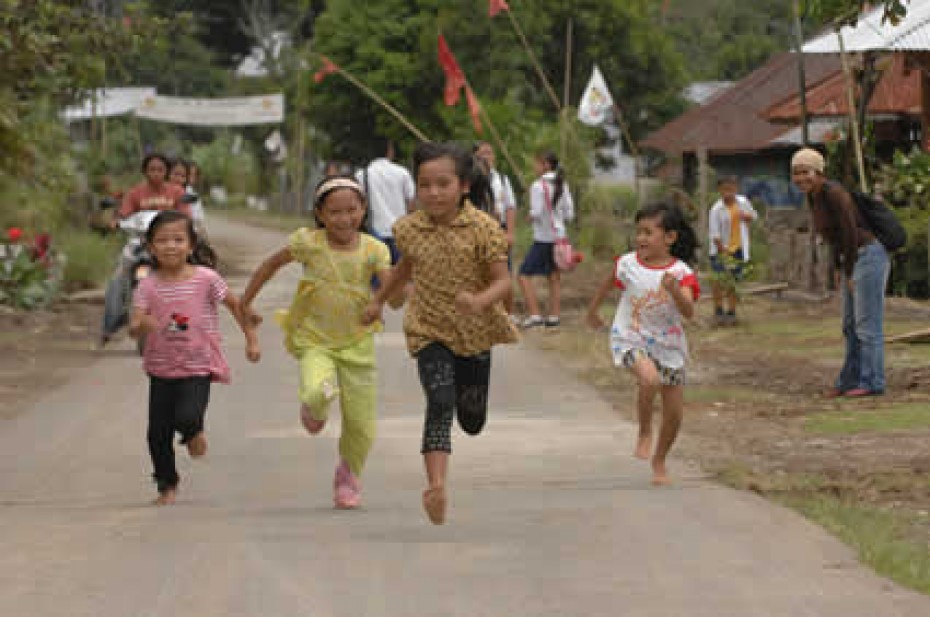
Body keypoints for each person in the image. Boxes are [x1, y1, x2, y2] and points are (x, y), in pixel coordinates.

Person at [362, 141, 517, 525]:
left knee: (471, 419)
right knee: (439, 400)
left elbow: (504, 282)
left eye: (442, 184)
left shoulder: (484, 229)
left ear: (464, 186)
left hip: (476, 332)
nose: (433, 193)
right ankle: (436, 486)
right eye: (425, 184)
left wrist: (480, 302)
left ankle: (467, 420)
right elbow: (404, 269)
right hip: (429, 328)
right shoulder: (410, 229)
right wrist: (379, 299)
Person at [239, 176, 392, 509]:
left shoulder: (374, 249)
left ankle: (348, 476)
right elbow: (270, 266)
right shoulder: (309, 243)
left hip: (358, 345)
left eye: (352, 210)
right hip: (315, 342)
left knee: (362, 424)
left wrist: (378, 301)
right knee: (315, 390)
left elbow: (390, 289)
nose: (344, 218)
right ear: (320, 214)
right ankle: (315, 409)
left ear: (363, 210)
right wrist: (245, 302)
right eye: (335, 212)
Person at [129, 211, 259, 506]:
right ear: (150, 247)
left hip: (198, 364)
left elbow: (237, 306)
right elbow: (133, 326)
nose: (170, 246)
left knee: (187, 416)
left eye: (177, 239)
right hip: (160, 368)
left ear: (190, 245)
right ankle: (167, 484)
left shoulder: (206, 279)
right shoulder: (147, 286)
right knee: (157, 434)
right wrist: (142, 325)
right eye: (162, 240)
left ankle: (192, 432)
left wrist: (251, 339)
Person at [585, 202, 699, 486]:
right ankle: (644, 431)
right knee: (649, 380)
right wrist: (593, 312)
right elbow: (607, 284)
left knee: (674, 413)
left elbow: (689, 312)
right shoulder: (627, 264)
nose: (641, 239)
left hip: (668, 345)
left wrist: (675, 291)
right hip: (630, 336)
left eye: (648, 232)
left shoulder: (681, 272)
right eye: (639, 232)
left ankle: (660, 461)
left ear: (670, 238)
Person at [791, 148, 889, 398]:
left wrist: (848, 272)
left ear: (819, 172)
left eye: (806, 172)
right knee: (849, 325)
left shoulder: (833, 193)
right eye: (796, 173)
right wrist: (839, 268)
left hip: (866, 255)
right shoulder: (813, 197)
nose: (801, 178)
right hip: (851, 258)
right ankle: (849, 379)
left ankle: (872, 382)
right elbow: (833, 238)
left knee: (867, 325)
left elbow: (849, 232)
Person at [517, 150, 574, 329]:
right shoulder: (562, 184)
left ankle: (534, 314)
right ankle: (554, 316)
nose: (534, 167)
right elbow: (570, 214)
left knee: (523, 274)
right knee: (554, 277)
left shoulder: (537, 186)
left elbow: (536, 212)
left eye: (536, 163)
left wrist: (529, 217)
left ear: (546, 165)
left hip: (543, 238)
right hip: (560, 237)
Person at [356, 139, 415, 265]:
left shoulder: (362, 174)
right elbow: (411, 202)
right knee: (400, 279)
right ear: (390, 151)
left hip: (374, 233)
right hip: (400, 233)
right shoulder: (402, 172)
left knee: (376, 277)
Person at [475, 141, 518, 317]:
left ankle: (508, 315)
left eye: (490, 153)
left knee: (503, 274)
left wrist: (510, 233)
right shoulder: (471, 178)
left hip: (497, 230)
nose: (487, 157)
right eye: (482, 153)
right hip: (476, 230)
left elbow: (510, 206)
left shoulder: (501, 179)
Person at [708, 176, 757, 325]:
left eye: (731, 189)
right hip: (721, 250)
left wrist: (746, 216)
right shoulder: (716, 209)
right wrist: (723, 252)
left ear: (736, 189)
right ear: (720, 191)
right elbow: (715, 234)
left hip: (739, 248)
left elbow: (754, 216)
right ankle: (718, 310)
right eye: (725, 189)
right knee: (719, 281)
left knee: (734, 281)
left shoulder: (743, 202)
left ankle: (732, 311)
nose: (728, 192)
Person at [118, 153, 191, 221]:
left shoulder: (178, 192)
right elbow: (124, 213)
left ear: (167, 171)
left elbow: (185, 215)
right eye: (152, 170)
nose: (156, 174)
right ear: (145, 171)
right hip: (142, 232)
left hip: (171, 232)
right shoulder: (134, 193)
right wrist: (116, 220)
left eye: (160, 170)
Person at [169, 158, 207, 233]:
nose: (178, 178)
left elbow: (198, 222)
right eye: (176, 174)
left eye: (183, 176)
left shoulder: (192, 196)